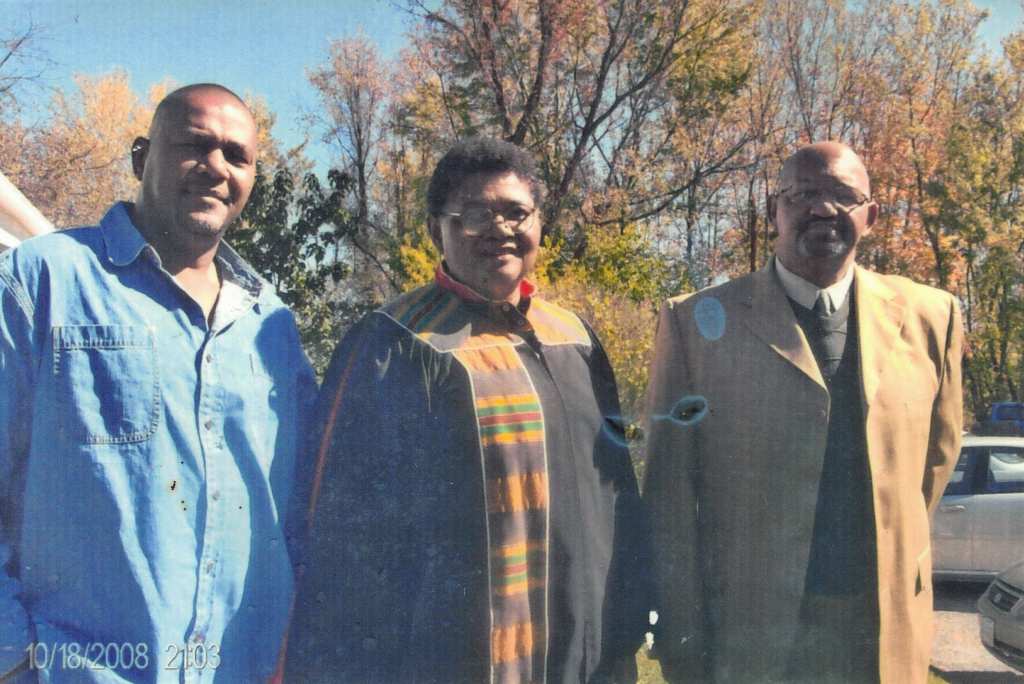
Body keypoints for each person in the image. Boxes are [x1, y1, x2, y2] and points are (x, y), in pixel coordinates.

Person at [284, 137, 648, 682]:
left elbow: (617, 496)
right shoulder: (395, 343)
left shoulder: (574, 338)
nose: (500, 229)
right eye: (476, 214)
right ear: (437, 231)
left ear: (539, 224)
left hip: (588, 659)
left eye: (517, 213)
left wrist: (626, 627)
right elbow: (342, 532)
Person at [0, 83, 317, 682]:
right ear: (141, 158)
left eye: (237, 155)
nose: (216, 167)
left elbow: (300, 512)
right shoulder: (42, 281)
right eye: (194, 145)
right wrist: (15, 658)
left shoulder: (271, 325)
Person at [643, 141, 963, 683]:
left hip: (880, 626)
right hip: (749, 630)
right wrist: (680, 628)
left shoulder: (934, 316)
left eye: (843, 196)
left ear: (871, 216)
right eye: (803, 194)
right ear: (774, 211)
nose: (822, 209)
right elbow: (669, 492)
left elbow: (936, 459)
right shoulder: (694, 323)